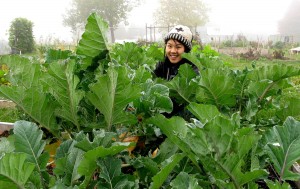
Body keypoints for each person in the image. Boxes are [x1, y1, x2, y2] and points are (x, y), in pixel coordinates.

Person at [153, 25, 199, 118]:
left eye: (178, 47)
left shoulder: (193, 71)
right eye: (169, 46)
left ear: (186, 50)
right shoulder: (160, 67)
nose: (173, 51)